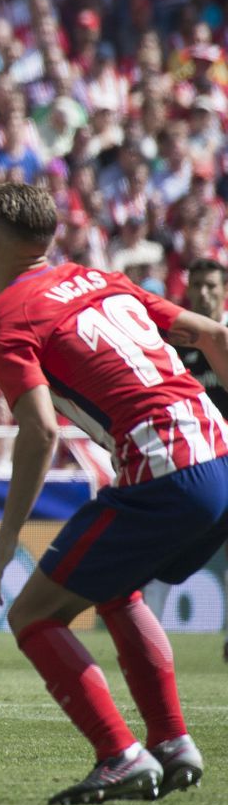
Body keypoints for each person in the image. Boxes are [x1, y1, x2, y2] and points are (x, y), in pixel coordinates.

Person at [0, 182, 227, 804]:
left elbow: (37, 431)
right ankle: (170, 742)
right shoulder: (99, 278)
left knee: (32, 614)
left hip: (165, 470)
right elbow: (217, 338)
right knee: (114, 588)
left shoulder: (5, 318)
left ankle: (120, 754)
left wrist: (5, 544)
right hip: (218, 452)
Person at [177, 257, 228, 665]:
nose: (204, 293)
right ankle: (150, 647)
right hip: (188, 470)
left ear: (223, 290)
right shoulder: (175, 346)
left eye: (212, 286)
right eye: (197, 285)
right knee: (159, 559)